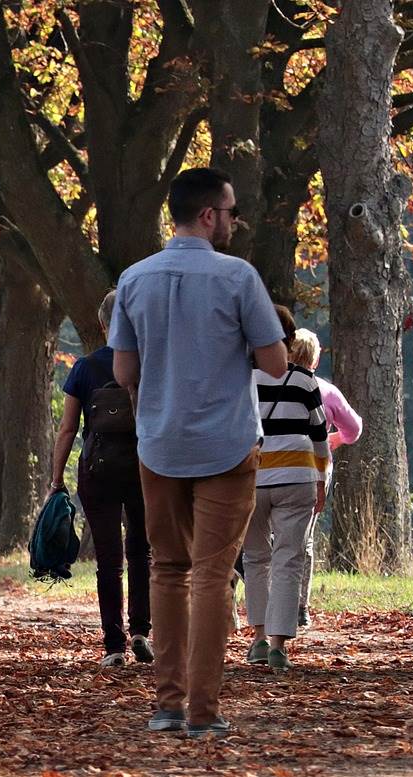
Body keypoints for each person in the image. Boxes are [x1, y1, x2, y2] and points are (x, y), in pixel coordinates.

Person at [111, 166, 288, 739]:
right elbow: (277, 363)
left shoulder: (134, 280)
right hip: (227, 443)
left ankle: (166, 704)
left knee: (167, 570)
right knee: (213, 574)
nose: (236, 221)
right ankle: (204, 712)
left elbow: (123, 370)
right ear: (210, 215)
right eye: (232, 211)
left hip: (159, 443)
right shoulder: (239, 278)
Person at [50, 289, 153, 669]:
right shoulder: (148, 364)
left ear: (103, 323)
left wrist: (56, 478)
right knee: (142, 551)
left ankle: (114, 644)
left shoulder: (84, 367)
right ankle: (142, 629)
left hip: (98, 469)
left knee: (108, 559)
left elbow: (66, 429)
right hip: (143, 467)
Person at [242, 328, 330, 673]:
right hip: (297, 477)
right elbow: (320, 435)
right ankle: (279, 645)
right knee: (288, 560)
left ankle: (259, 638)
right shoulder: (306, 382)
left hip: (252, 479)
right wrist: (321, 478)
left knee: (255, 558)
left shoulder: (244, 380)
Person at [291, 329, 361, 628]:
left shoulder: (270, 385)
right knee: (304, 538)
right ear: (316, 359)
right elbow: (355, 428)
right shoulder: (327, 391)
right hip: (315, 468)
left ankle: (269, 602)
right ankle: (300, 607)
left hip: (270, 466)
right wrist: (336, 439)